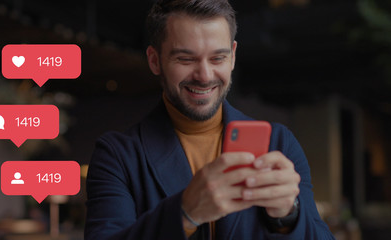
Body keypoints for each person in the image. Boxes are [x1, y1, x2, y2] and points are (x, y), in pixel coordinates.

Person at [85, 0, 335, 239]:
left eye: (218, 58)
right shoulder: (117, 155)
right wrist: (184, 213)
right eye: (185, 59)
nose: (204, 76)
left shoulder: (279, 143)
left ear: (233, 56)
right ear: (154, 60)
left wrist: (289, 216)